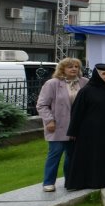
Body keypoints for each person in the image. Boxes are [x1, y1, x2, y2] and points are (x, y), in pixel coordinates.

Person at [66, 64, 105, 190]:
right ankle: (92, 181)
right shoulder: (86, 91)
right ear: (96, 74)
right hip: (91, 132)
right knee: (93, 156)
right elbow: (77, 112)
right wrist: (73, 131)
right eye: (104, 74)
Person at [35, 57, 88, 193]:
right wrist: (49, 120)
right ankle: (48, 182)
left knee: (72, 155)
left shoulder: (84, 82)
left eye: (76, 66)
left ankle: (70, 180)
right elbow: (42, 105)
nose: (74, 69)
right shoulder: (52, 83)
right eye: (70, 66)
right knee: (55, 153)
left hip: (77, 127)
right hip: (57, 126)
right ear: (62, 69)